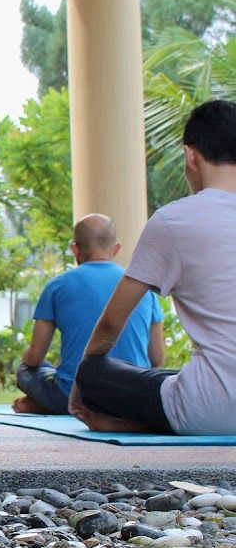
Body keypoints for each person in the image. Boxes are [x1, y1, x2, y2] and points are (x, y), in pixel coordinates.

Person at [71, 99, 236, 435]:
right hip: (210, 398)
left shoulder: (173, 221)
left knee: (94, 372)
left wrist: (80, 385)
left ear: (191, 155)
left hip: (210, 411)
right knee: (169, 377)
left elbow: (111, 323)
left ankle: (132, 423)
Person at [14, 214, 164, 414]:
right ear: (116, 248)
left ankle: (45, 405)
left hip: (74, 395)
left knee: (25, 370)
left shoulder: (57, 286)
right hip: (131, 396)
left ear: (74, 248)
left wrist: (27, 355)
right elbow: (157, 359)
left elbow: (34, 358)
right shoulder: (142, 288)